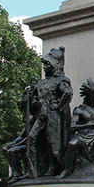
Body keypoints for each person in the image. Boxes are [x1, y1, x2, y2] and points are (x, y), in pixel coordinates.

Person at [27, 47, 73, 178]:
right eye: (44, 64)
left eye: (47, 64)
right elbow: (34, 100)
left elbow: (68, 93)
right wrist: (32, 101)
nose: (44, 67)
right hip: (41, 115)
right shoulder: (41, 83)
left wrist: (58, 106)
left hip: (53, 115)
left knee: (54, 144)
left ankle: (56, 168)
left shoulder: (60, 81)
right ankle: (34, 170)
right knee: (32, 138)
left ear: (55, 65)